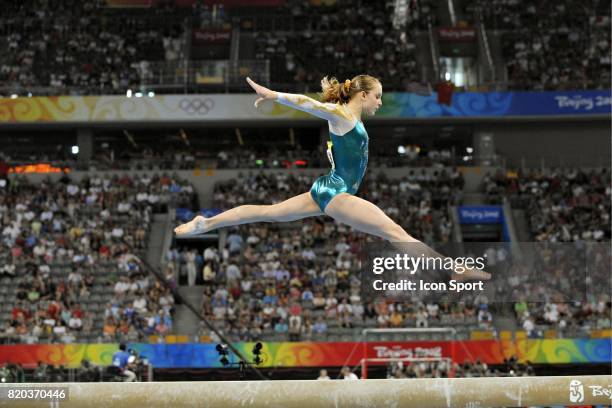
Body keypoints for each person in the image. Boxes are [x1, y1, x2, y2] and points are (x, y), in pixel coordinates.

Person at [175, 76, 489, 281]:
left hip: (328, 188)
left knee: (267, 212)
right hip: (337, 193)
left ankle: (206, 223)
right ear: (363, 95)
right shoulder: (342, 115)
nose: (380, 102)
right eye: (377, 97)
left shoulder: (348, 118)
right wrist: (275, 94)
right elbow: (310, 104)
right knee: (394, 231)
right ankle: (452, 269)